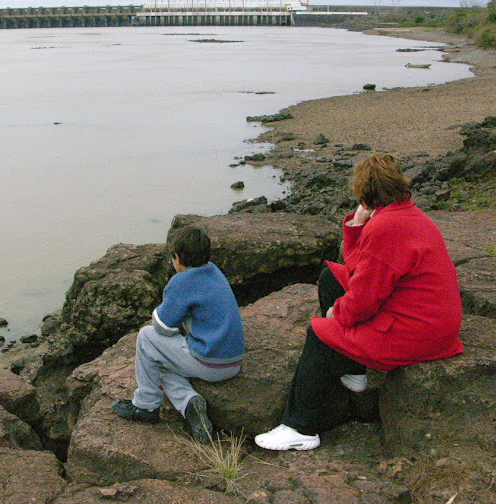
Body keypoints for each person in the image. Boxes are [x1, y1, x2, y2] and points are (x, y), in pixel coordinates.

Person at [255, 153, 463, 451]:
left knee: (319, 333)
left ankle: (300, 428)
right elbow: (360, 272)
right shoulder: (409, 216)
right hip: (430, 322)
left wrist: (335, 315)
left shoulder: (387, 228)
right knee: (331, 278)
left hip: (417, 332)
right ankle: (354, 368)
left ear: (364, 192)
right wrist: (356, 224)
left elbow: (363, 300)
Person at [112, 226, 245, 444]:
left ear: (178, 258)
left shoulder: (182, 281)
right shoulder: (214, 271)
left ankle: (145, 406)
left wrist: (159, 310)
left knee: (146, 338)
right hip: (233, 361)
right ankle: (190, 403)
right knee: (161, 364)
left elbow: (163, 327)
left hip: (209, 362)